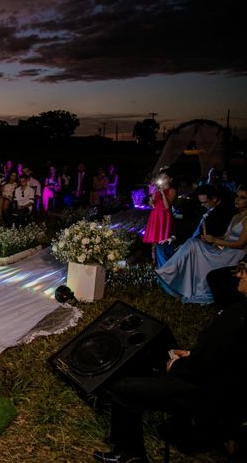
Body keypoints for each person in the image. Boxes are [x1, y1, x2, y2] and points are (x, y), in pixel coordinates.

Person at [94, 262, 247, 463]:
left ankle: (129, 454)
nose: (239, 275)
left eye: (245, 271)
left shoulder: (236, 316)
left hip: (215, 395)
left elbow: (202, 368)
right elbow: (227, 354)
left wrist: (176, 365)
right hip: (231, 388)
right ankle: (182, 429)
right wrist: (193, 353)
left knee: (123, 389)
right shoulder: (236, 313)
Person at [156, 187, 247, 304]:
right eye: (237, 196)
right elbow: (226, 237)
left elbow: (241, 243)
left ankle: (168, 274)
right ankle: (170, 275)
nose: (237, 199)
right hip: (224, 249)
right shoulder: (236, 216)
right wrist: (213, 239)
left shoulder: (243, 218)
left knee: (192, 244)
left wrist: (215, 240)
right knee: (190, 243)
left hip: (235, 255)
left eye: (242, 197)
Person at [155, 185, 234, 268]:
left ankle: (168, 274)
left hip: (200, 247)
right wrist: (174, 237)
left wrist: (187, 245)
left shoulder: (222, 214)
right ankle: (165, 274)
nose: (202, 205)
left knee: (168, 251)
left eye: (204, 202)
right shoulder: (203, 210)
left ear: (214, 199)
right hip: (188, 241)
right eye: (201, 202)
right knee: (161, 246)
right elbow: (190, 226)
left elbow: (213, 236)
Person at [143, 168, 177, 263]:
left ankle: (163, 263)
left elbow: (167, 207)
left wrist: (162, 193)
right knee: (154, 242)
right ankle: (154, 262)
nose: (163, 180)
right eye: (161, 178)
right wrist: (151, 199)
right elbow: (152, 205)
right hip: (155, 216)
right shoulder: (156, 190)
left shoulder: (172, 190)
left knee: (163, 240)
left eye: (165, 178)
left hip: (164, 216)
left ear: (170, 179)